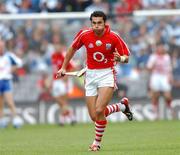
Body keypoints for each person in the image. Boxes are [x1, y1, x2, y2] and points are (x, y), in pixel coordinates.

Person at [56, 11, 133, 151]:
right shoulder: (84, 34)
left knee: (99, 110)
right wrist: (63, 67)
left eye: (99, 23)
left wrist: (120, 59)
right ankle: (122, 106)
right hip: (90, 75)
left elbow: (126, 57)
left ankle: (96, 144)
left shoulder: (114, 36)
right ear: (91, 23)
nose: (96, 26)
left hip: (107, 74)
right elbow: (71, 49)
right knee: (94, 116)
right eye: (94, 23)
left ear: (105, 23)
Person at [147, 42, 174, 120]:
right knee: (155, 95)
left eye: (162, 47)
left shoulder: (167, 57)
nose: (161, 49)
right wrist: (153, 64)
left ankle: (169, 111)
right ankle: (155, 113)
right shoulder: (153, 57)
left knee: (167, 95)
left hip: (165, 76)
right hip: (156, 76)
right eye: (159, 47)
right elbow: (149, 68)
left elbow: (169, 68)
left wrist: (170, 77)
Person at [0, 39, 23, 128]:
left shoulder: (9, 56)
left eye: (2, 47)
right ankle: (1, 120)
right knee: (0, 104)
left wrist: (12, 69)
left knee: (10, 102)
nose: (1, 48)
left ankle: (16, 120)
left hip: (6, 81)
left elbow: (19, 63)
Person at [51, 44, 76, 126]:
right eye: (55, 47)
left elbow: (73, 67)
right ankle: (71, 115)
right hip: (55, 80)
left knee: (64, 100)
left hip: (63, 81)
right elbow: (54, 69)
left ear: (61, 47)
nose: (56, 48)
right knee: (58, 100)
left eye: (58, 46)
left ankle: (62, 120)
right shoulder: (53, 56)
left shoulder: (64, 55)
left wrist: (67, 75)